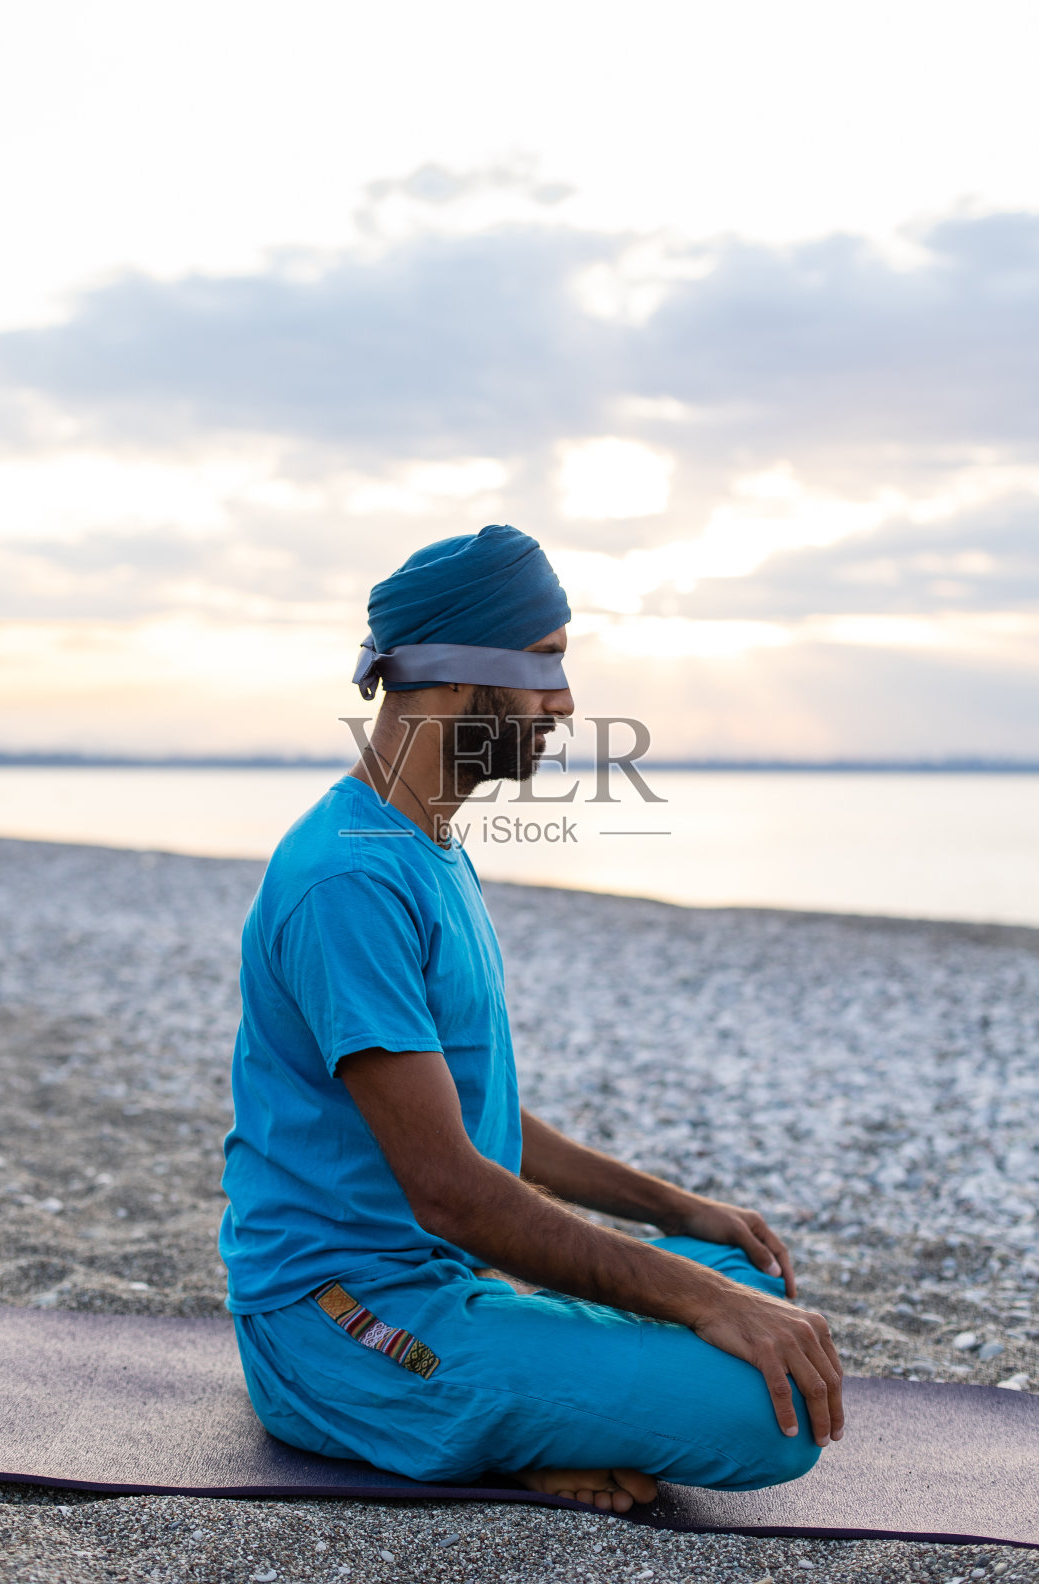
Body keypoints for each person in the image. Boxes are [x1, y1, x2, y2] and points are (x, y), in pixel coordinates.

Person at [220, 524, 843, 1513]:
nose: (563, 701)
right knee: (768, 1412)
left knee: (744, 1269)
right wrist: (698, 1301)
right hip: (338, 1320)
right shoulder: (347, 878)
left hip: (455, 1275)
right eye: (544, 661)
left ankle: (531, 1395)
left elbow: (472, 1118)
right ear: (456, 676)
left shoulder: (426, 846)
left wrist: (675, 1212)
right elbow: (449, 1188)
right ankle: (488, 1419)